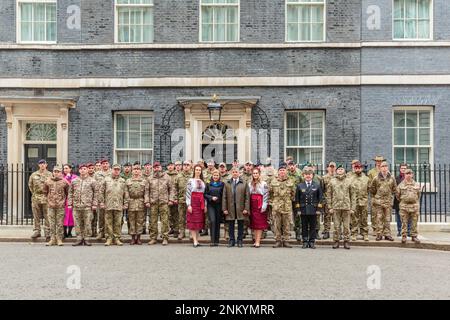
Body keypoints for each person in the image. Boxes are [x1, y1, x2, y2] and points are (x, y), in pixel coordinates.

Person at [145, 162, 175, 246]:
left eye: (158, 167)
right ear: (153, 168)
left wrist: (171, 200)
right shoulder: (149, 178)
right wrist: (147, 201)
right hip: (153, 202)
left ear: (161, 168)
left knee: (165, 220)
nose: (156, 169)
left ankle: (165, 238)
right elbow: (146, 191)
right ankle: (153, 238)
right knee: (152, 221)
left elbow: (172, 189)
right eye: (155, 167)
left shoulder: (167, 177)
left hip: (164, 202)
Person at [68, 163, 97, 246]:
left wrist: (94, 204)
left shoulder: (92, 181)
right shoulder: (74, 181)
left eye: (84, 169)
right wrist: (70, 203)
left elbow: (96, 193)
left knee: (87, 223)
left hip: (87, 206)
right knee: (77, 223)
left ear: (87, 170)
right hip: (76, 206)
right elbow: (70, 193)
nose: (83, 170)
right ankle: (79, 238)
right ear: (79, 170)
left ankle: (87, 239)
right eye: (81, 169)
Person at [327, 165, 355, 249]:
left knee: (346, 226)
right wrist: (330, 207)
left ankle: (346, 241)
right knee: (336, 226)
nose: (340, 170)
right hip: (335, 207)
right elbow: (329, 195)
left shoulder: (349, 181)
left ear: (344, 170)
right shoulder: (332, 181)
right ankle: (336, 241)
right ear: (336, 170)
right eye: (338, 169)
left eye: (341, 169)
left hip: (346, 207)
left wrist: (352, 208)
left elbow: (353, 195)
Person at [295, 168, 323, 249]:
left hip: (313, 209)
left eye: (309, 174)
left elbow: (320, 198)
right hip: (303, 209)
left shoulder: (317, 185)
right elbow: (297, 199)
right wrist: (298, 210)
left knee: (313, 226)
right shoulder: (300, 185)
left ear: (312, 176)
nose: (308, 176)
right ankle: (304, 241)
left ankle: (311, 242)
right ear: (303, 176)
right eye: (306, 174)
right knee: (303, 226)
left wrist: (318, 209)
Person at [99, 164, 126, 246]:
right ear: (112, 170)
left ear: (120, 171)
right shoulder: (106, 180)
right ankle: (109, 238)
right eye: (115, 169)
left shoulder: (122, 180)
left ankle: (117, 238)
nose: (116, 171)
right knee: (108, 222)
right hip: (108, 204)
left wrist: (126, 203)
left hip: (119, 204)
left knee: (118, 222)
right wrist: (102, 202)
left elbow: (126, 193)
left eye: (118, 169)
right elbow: (101, 192)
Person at [269, 163, 296, 248]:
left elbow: (293, 193)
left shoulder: (290, 181)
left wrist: (288, 200)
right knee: (277, 224)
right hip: (276, 206)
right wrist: (273, 202)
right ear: (278, 172)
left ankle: (286, 240)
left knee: (287, 224)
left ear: (286, 171)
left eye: (283, 170)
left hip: (286, 206)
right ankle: (278, 240)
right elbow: (270, 193)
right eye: (280, 170)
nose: (282, 172)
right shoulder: (273, 181)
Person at [222, 167, 250, 248]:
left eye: (236, 172)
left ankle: (240, 240)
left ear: (239, 173)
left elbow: (247, 197)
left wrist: (246, 208)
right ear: (231, 173)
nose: (235, 173)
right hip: (230, 207)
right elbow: (224, 197)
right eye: (233, 172)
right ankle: (231, 240)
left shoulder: (244, 183)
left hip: (240, 207)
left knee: (241, 224)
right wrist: (224, 208)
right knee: (231, 224)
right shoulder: (227, 183)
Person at [370, 161, 397, 241]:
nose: (384, 168)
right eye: (382, 166)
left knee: (387, 219)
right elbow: (372, 189)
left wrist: (390, 196)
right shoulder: (376, 178)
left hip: (388, 202)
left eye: (385, 166)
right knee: (379, 218)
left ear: (387, 167)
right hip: (379, 202)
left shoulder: (392, 178)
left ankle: (387, 234)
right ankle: (379, 234)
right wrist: (377, 197)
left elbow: (394, 189)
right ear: (380, 168)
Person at [44, 165, 69, 246]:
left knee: (59, 223)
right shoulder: (48, 181)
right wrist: (49, 200)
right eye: (55, 171)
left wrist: (63, 201)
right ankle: (52, 239)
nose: (56, 173)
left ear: (60, 173)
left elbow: (68, 192)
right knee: (51, 223)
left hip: (60, 206)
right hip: (50, 205)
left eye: (58, 172)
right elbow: (45, 191)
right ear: (53, 172)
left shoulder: (64, 182)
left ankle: (59, 239)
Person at [28, 159, 52, 241]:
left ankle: (47, 232)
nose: (42, 165)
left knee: (47, 216)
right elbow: (30, 185)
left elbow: (52, 186)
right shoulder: (34, 175)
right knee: (36, 216)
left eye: (44, 163)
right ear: (38, 165)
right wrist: (35, 193)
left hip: (46, 197)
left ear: (46, 165)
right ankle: (37, 231)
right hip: (36, 198)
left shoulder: (50, 174)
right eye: (40, 163)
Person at [396, 168, 421, 244]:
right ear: (404, 175)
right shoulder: (400, 185)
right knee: (404, 222)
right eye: (407, 174)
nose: (409, 175)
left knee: (414, 222)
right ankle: (404, 236)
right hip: (404, 207)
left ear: (412, 175)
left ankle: (414, 236)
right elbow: (398, 196)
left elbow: (418, 195)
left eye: (410, 174)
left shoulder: (416, 184)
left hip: (414, 206)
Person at [124, 164, 146, 245]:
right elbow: (126, 193)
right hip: (131, 202)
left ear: (140, 171)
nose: (136, 171)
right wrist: (126, 203)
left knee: (140, 221)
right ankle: (133, 238)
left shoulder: (144, 181)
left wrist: (146, 201)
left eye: (138, 169)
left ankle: (139, 238)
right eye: (134, 169)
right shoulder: (128, 181)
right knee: (131, 221)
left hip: (140, 202)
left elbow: (146, 192)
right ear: (132, 171)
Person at [186, 165, 207, 247]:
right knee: (193, 222)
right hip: (193, 201)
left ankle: (197, 240)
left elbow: (204, 194)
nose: (198, 171)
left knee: (199, 222)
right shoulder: (190, 181)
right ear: (194, 171)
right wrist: (189, 205)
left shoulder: (202, 181)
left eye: (199, 170)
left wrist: (205, 205)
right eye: (196, 170)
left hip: (200, 202)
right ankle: (194, 240)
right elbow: (187, 193)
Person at [248, 168, 269, 248]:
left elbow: (266, 195)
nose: (255, 175)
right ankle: (255, 240)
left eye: (257, 173)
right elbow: (248, 195)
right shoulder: (250, 184)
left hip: (260, 204)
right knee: (254, 224)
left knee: (259, 224)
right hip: (252, 204)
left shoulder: (264, 183)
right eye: (254, 173)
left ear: (259, 174)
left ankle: (258, 241)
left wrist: (264, 205)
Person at [350, 161, 370, 241]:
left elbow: (369, 189)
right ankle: (354, 233)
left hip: (363, 201)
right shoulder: (350, 178)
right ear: (354, 169)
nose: (358, 169)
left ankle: (365, 234)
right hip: (354, 202)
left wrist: (364, 196)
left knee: (364, 218)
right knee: (354, 219)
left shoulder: (366, 178)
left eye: (359, 168)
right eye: (356, 168)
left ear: (361, 168)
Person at [204, 169, 225, 246]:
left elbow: (224, 195)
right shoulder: (208, 184)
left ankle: (217, 240)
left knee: (217, 222)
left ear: (219, 176)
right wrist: (211, 197)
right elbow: (205, 194)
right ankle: (212, 240)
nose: (215, 176)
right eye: (214, 175)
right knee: (212, 221)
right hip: (211, 205)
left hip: (219, 205)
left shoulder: (222, 184)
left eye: (217, 175)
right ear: (212, 176)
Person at [94, 159, 111, 240]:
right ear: (101, 165)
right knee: (100, 216)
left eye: (106, 163)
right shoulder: (97, 174)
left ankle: (108, 233)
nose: (105, 165)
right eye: (103, 164)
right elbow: (93, 185)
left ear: (109, 164)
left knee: (109, 217)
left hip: (110, 197)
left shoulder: (112, 173)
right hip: (99, 198)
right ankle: (101, 232)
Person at [175, 160, 192, 240]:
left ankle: (191, 232)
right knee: (181, 217)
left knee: (191, 217)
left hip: (191, 201)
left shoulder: (193, 175)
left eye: (187, 165)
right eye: (184, 164)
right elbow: (175, 188)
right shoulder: (178, 176)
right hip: (181, 200)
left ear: (190, 166)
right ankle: (182, 232)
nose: (186, 166)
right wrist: (175, 198)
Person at [368, 155, 385, 234]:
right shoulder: (371, 172)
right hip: (374, 195)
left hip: (384, 196)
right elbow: (369, 184)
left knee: (383, 213)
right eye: (377, 161)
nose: (379, 163)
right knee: (374, 213)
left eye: (380, 161)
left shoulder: (385, 172)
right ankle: (375, 229)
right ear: (375, 162)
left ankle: (382, 229)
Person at [393, 164, 411, 237]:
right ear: (400, 169)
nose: (403, 169)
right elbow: (394, 189)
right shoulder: (396, 178)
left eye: (405, 168)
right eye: (402, 168)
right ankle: (400, 231)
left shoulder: (410, 178)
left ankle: (408, 231)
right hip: (398, 201)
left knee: (409, 217)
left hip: (408, 201)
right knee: (398, 217)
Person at [321, 161, 336, 239]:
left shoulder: (338, 177)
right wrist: (324, 199)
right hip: (328, 200)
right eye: (330, 166)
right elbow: (322, 189)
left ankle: (337, 233)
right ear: (328, 168)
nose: (332, 168)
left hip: (337, 200)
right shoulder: (324, 178)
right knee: (327, 217)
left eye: (333, 167)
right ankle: (326, 231)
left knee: (337, 218)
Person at [63, 164, 77, 238]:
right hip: (63, 199)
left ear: (70, 169)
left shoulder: (75, 177)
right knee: (64, 216)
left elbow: (74, 187)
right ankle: (64, 232)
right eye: (64, 168)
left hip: (71, 199)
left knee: (71, 216)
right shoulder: (61, 177)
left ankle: (70, 232)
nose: (65, 170)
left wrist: (67, 179)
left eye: (67, 168)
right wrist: (65, 178)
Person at [166, 162, 179, 238]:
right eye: (169, 165)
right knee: (168, 215)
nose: (170, 167)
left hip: (175, 198)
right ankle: (171, 228)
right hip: (166, 198)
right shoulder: (164, 175)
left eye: (171, 165)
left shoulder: (177, 175)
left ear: (173, 166)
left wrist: (176, 198)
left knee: (175, 215)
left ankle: (176, 230)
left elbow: (177, 188)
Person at [87, 163, 97, 237]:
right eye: (89, 168)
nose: (91, 169)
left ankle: (94, 232)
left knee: (95, 217)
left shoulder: (97, 177)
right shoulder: (84, 177)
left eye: (92, 168)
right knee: (88, 218)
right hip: (87, 201)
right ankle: (88, 232)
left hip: (95, 200)